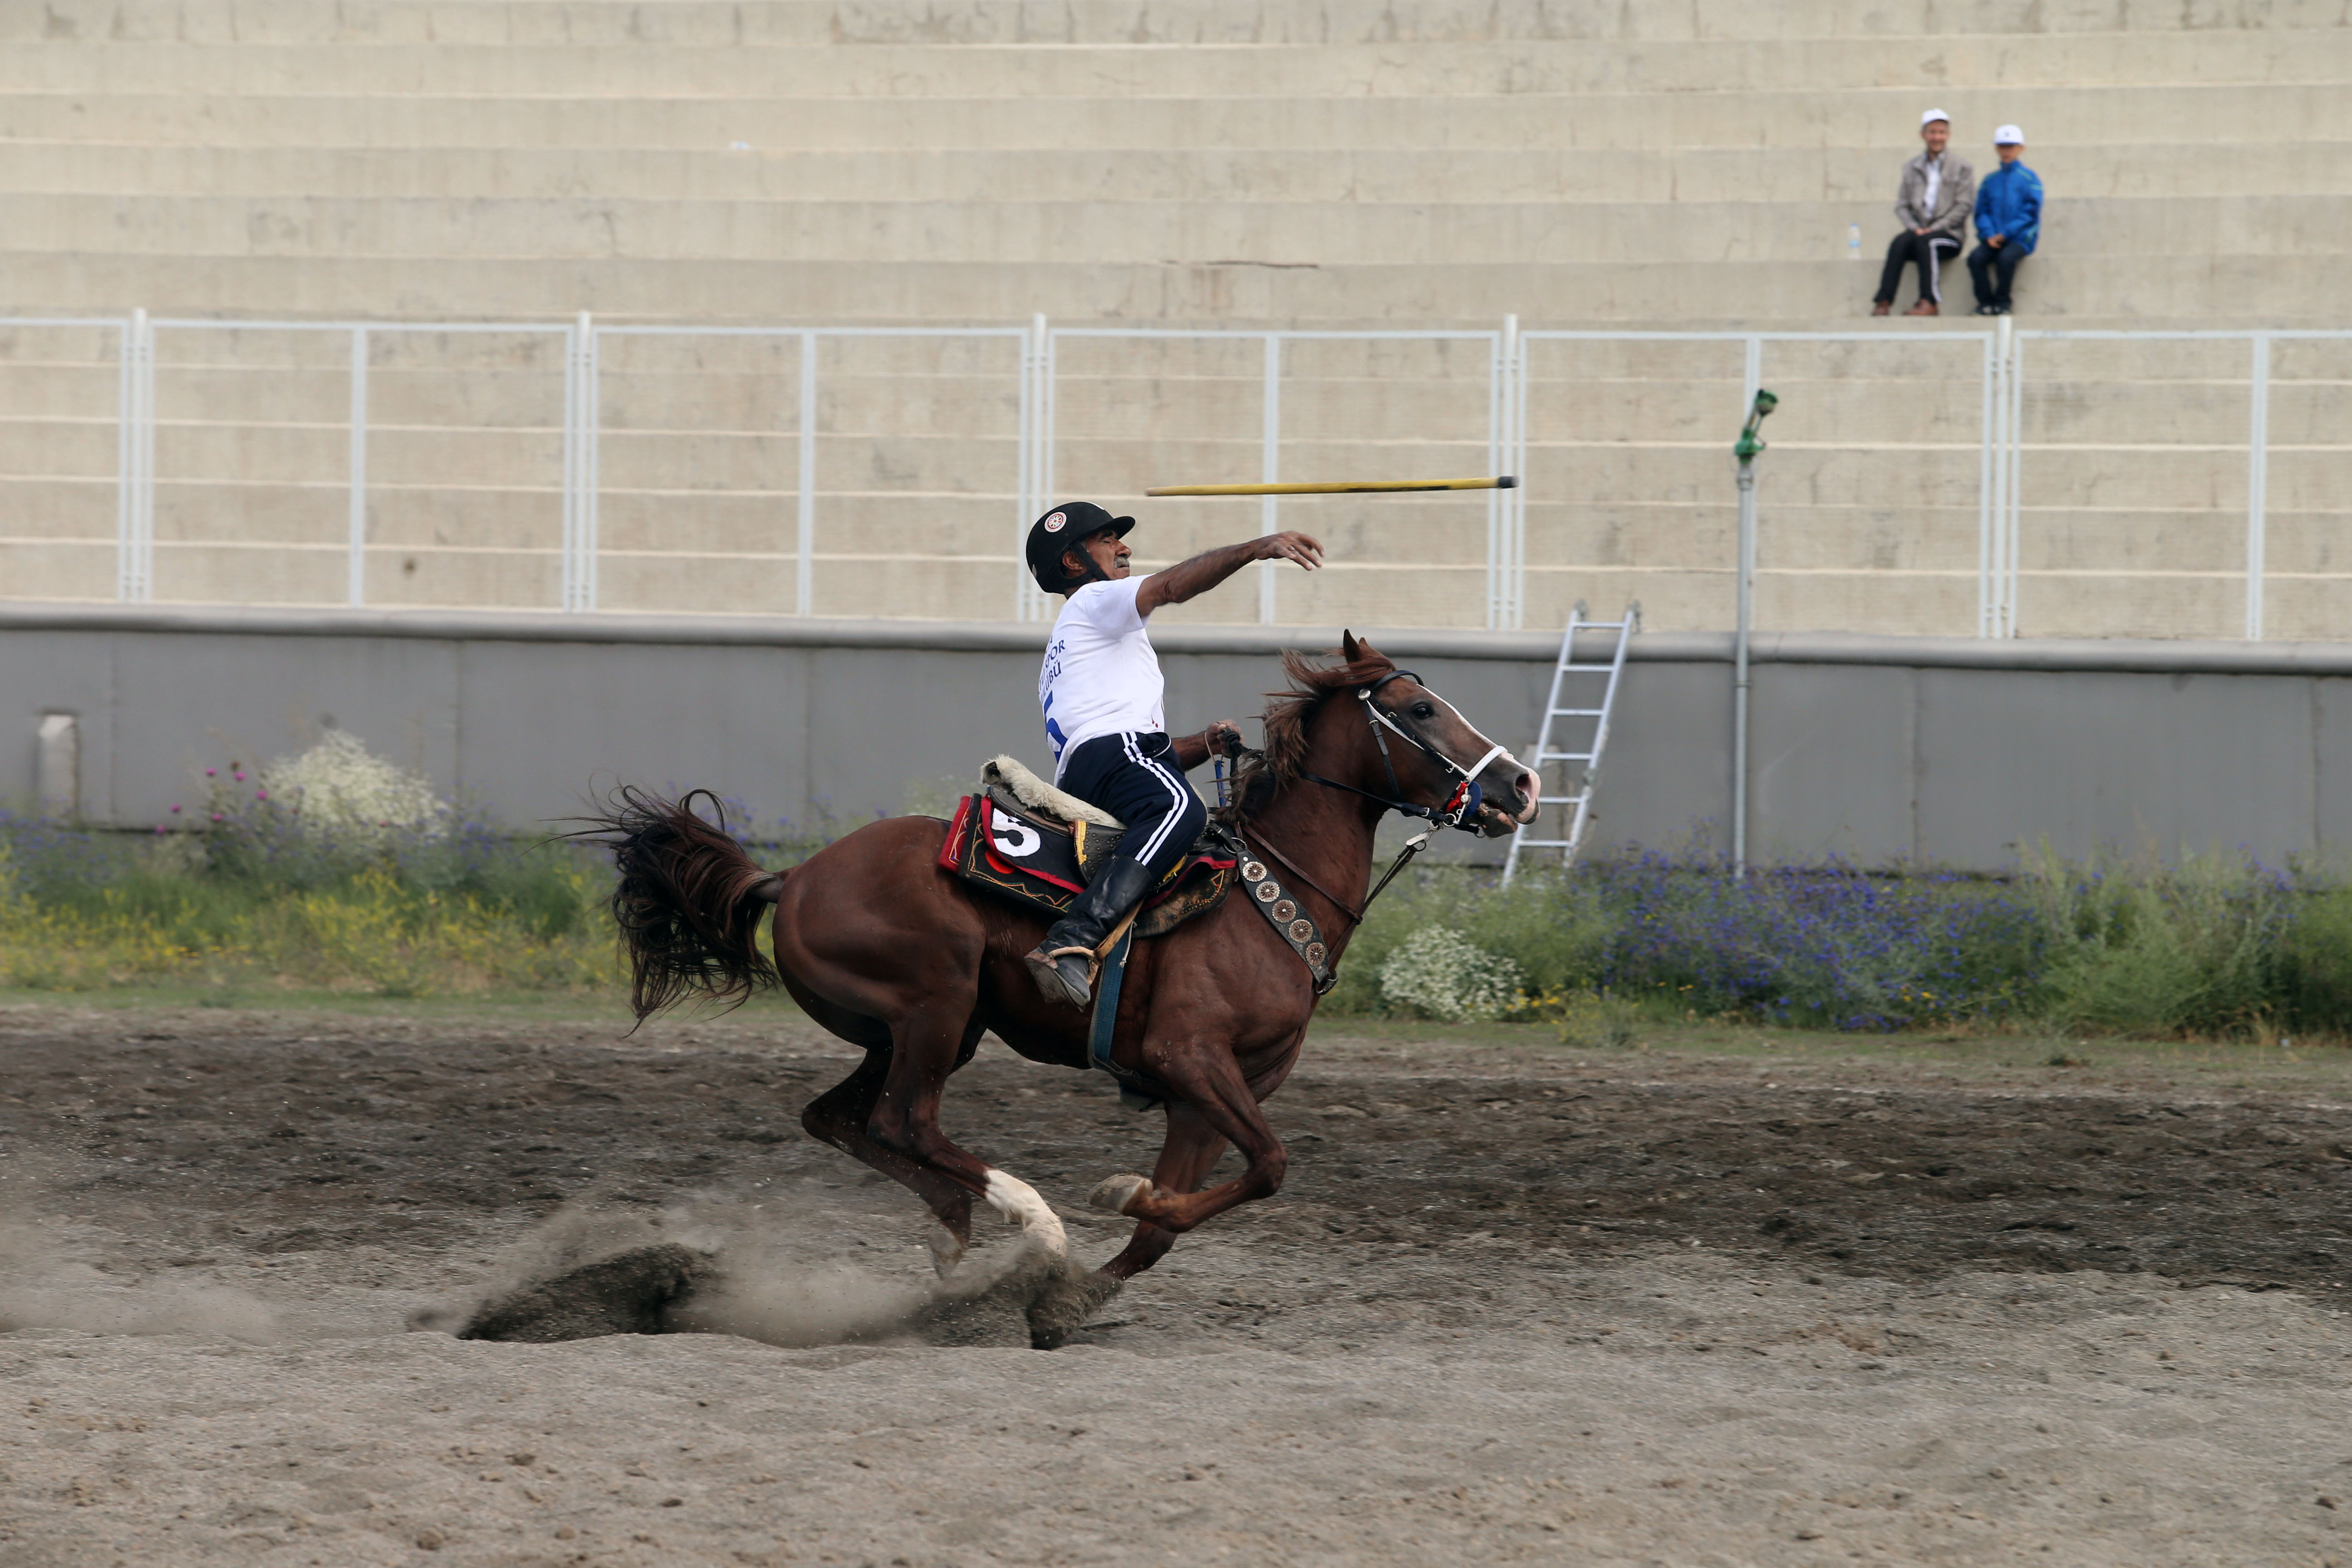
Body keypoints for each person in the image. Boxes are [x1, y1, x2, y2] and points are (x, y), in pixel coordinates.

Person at [1019, 501, 1326, 1009]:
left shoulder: (1077, 637)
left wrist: (1202, 745)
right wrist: (1255, 549)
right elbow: (1170, 587)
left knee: (1177, 827)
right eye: (1107, 540)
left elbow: (1140, 753)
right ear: (1074, 563)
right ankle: (1071, 940)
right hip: (1111, 757)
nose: (1125, 548)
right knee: (1181, 810)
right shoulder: (1095, 600)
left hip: (1097, 765)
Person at [1871, 109, 1976, 317]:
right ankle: (1884, 300)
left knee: (1927, 242)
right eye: (1932, 132)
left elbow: (1963, 206)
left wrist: (1933, 229)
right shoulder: (1912, 168)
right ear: (1924, 135)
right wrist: (1915, 228)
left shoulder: (1962, 167)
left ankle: (1929, 300)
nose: (1937, 137)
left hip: (1949, 235)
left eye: (1941, 132)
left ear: (1948, 135)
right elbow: (1902, 205)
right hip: (1920, 231)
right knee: (1899, 242)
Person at [1968, 126, 2043, 315]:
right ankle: (1985, 302)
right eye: (2002, 147)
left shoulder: (2029, 178)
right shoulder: (1990, 180)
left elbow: (2031, 212)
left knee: (2006, 258)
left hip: (2020, 239)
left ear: (2020, 148)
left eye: (2010, 147)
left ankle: (2003, 302)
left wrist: (2007, 233)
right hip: (1994, 238)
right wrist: (1989, 234)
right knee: (1976, 259)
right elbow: (1981, 210)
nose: (2006, 151)